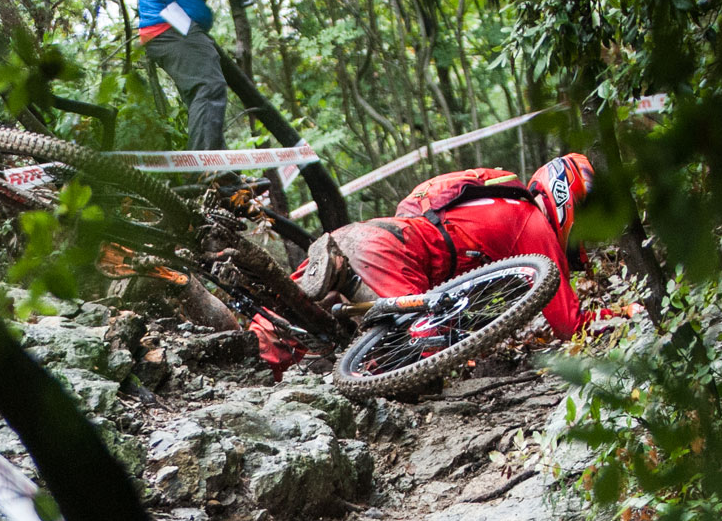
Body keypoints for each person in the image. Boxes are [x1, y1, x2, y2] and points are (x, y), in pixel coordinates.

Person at [254, 153, 641, 372]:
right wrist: (628, 313)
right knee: (416, 363)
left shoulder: (493, 191)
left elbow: (410, 208)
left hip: (360, 236)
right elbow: (570, 326)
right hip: (388, 253)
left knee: (274, 326)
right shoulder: (531, 222)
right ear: (568, 196)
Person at [135, 0, 231, 151]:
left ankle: (219, 177)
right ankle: (207, 173)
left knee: (203, 94)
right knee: (208, 86)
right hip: (166, 26)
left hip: (180, 24)